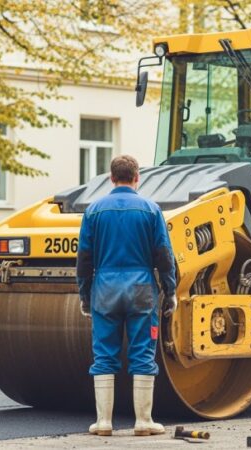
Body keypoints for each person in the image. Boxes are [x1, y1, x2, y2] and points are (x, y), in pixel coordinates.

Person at [76, 155, 177, 437]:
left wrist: (85, 294)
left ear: (111, 178)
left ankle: (104, 422)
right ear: (137, 178)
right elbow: (164, 256)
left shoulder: (94, 211)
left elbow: (84, 259)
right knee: (143, 353)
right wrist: (170, 291)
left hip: (105, 289)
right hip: (142, 289)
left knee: (104, 355)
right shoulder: (151, 210)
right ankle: (144, 421)